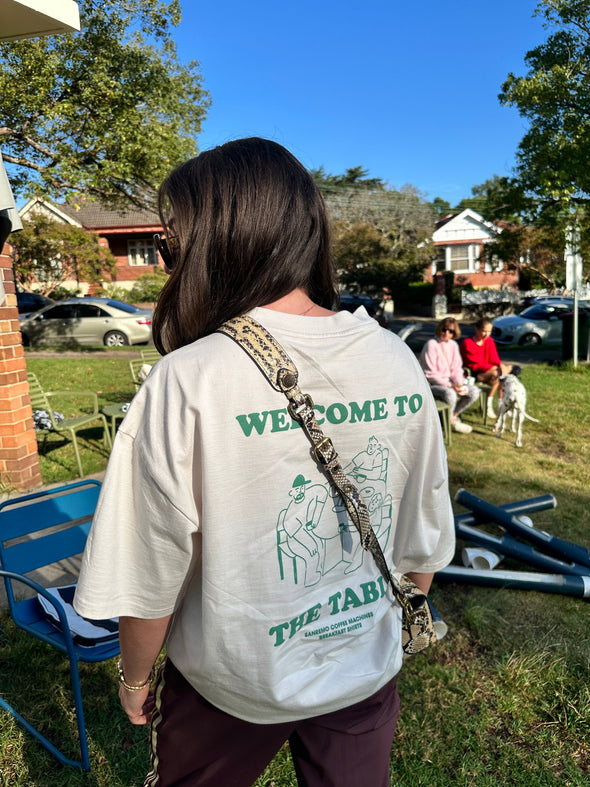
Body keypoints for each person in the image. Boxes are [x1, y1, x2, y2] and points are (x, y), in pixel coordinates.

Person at [73, 138, 455, 787]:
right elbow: (424, 530)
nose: (167, 263)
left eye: (169, 245)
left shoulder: (187, 379)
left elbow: (147, 572)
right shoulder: (393, 356)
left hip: (231, 679)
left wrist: (133, 677)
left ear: (213, 244)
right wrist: (391, 617)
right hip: (362, 662)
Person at [419, 316, 480, 434]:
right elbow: (429, 374)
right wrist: (451, 386)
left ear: (454, 333)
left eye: (451, 331)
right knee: (450, 394)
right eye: (444, 329)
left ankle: (453, 416)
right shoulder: (431, 344)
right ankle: (450, 422)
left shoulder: (453, 345)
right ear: (440, 329)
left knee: (474, 391)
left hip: (450, 382)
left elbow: (456, 368)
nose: (447, 333)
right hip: (433, 384)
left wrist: (459, 383)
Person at [460, 317, 512, 419]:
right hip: (473, 373)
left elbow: (494, 358)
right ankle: (489, 405)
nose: (486, 334)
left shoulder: (489, 341)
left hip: (488, 372)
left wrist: (501, 365)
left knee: (500, 376)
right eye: (484, 331)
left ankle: (499, 405)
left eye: (489, 332)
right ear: (477, 329)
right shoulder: (468, 343)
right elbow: (475, 364)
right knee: (497, 374)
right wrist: (495, 368)